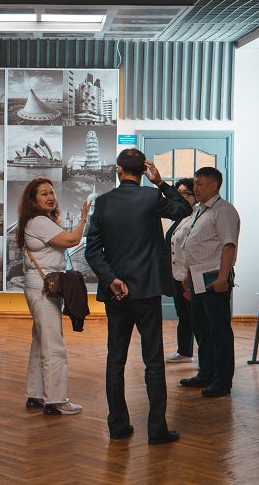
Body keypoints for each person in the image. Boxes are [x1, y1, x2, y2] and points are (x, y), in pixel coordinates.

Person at [85, 149, 192, 445]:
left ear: (119, 170)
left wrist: (111, 279)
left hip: (116, 293)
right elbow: (184, 209)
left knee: (115, 360)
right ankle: (157, 430)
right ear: (144, 169)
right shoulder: (151, 196)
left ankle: (118, 426)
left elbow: (92, 251)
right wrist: (160, 183)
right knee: (153, 361)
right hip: (147, 290)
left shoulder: (103, 202)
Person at [17, 177, 89, 416]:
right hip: (43, 290)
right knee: (54, 345)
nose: (50, 197)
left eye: (52, 192)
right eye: (43, 193)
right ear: (33, 200)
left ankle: (36, 394)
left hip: (39, 288)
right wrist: (83, 218)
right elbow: (72, 240)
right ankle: (56, 400)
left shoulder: (37, 221)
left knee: (40, 342)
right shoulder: (39, 221)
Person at [172, 166, 240, 398]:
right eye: (195, 183)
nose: (195, 188)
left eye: (200, 184)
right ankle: (206, 373)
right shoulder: (200, 210)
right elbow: (195, 245)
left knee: (219, 331)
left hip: (213, 278)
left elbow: (229, 245)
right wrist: (187, 275)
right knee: (201, 329)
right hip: (197, 277)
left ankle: (222, 381)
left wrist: (222, 278)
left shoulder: (224, 210)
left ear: (214, 185)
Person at [164, 178, 196, 363]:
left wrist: (188, 277)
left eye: (185, 193)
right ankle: (184, 351)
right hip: (176, 276)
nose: (181, 196)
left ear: (194, 196)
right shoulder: (180, 218)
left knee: (194, 316)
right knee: (183, 315)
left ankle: (205, 360)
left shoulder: (196, 217)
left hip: (189, 276)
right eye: (179, 193)